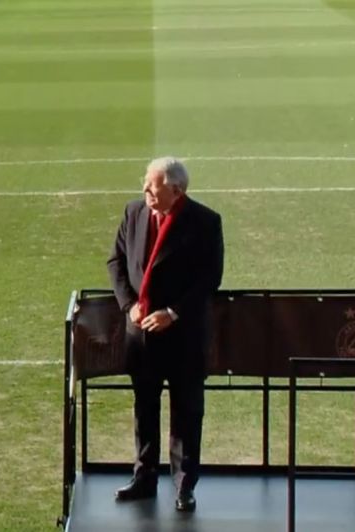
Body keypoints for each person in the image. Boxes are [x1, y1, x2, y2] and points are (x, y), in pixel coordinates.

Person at [106, 157, 224, 512]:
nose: (145, 191)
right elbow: (116, 262)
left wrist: (172, 313)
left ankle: (184, 485)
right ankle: (144, 477)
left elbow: (209, 279)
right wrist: (130, 306)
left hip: (184, 336)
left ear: (176, 190)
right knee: (144, 408)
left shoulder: (205, 222)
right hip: (141, 335)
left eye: (151, 186)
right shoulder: (134, 212)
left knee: (187, 411)